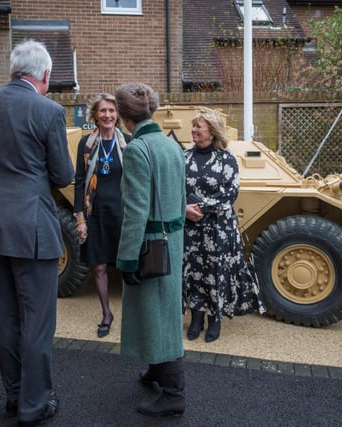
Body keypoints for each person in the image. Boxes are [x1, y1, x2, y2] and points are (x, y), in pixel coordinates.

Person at [0, 40, 74, 426]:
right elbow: (63, 175)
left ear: (14, 70)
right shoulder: (49, 110)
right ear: (44, 75)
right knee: (38, 320)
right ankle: (34, 404)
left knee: (4, 318)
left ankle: (14, 396)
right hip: (32, 229)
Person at [114, 83, 187, 417]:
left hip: (149, 248)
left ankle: (174, 394)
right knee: (162, 311)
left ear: (124, 117)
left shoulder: (137, 149)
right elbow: (182, 202)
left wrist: (127, 259)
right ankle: (158, 371)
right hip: (172, 243)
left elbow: (135, 211)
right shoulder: (171, 146)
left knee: (158, 315)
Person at [182, 107, 266, 343]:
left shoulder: (226, 159)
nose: (194, 130)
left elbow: (230, 193)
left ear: (212, 130)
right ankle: (196, 317)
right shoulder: (184, 157)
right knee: (194, 273)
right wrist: (185, 209)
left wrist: (201, 208)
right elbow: (175, 189)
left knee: (216, 273)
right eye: (194, 125)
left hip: (218, 228)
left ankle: (214, 319)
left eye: (199, 126)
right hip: (191, 227)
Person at [73, 93, 130, 338]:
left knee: (129, 267)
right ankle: (106, 313)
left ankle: (132, 314)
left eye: (112, 111)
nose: (107, 115)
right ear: (95, 115)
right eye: (103, 111)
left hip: (122, 214)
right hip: (94, 213)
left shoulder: (128, 142)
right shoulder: (86, 144)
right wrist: (80, 219)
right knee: (98, 268)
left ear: (117, 115)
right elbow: (78, 182)